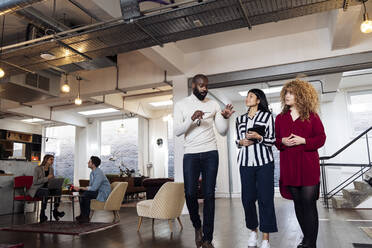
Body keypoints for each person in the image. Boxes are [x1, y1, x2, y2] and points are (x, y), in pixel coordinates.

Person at [174, 74, 235, 248]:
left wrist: (225, 117)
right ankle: (197, 226)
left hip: (210, 153)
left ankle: (208, 238)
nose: (204, 89)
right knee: (190, 193)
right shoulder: (181, 105)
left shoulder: (213, 104)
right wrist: (191, 119)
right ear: (193, 85)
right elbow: (178, 131)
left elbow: (222, 131)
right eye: (201, 85)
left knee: (209, 196)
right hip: (191, 154)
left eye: (206, 86)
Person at [275, 79, 326, 248]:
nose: (287, 96)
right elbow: (276, 141)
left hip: (308, 166)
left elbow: (321, 138)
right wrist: (282, 141)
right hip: (289, 166)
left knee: (308, 203)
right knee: (298, 204)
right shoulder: (280, 118)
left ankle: (311, 243)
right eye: (286, 93)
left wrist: (304, 140)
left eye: (291, 93)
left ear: (301, 95)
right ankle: (306, 238)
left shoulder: (312, 115)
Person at [235, 89, 277, 248]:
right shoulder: (239, 119)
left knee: (265, 199)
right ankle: (253, 231)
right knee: (247, 199)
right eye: (246, 96)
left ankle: (266, 238)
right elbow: (237, 140)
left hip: (264, 163)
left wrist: (259, 137)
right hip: (245, 164)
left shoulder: (267, 117)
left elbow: (272, 140)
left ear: (259, 100)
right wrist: (240, 142)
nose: (247, 98)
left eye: (251, 96)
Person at [27, 154, 65, 222]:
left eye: (53, 159)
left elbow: (51, 180)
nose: (52, 161)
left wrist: (54, 182)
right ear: (46, 160)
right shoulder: (37, 168)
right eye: (51, 159)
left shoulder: (51, 169)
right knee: (45, 192)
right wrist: (47, 178)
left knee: (58, 190)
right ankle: (42, 213)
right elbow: (35, 182)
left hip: (48, 188)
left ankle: (55, 211)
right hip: (37, 189)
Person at [74, 156, 111, 223]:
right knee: (82, 193)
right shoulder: (92, 173)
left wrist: (80, 187)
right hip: (97, 191)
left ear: (93, 164)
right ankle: (83, 215)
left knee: (86, 194)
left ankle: (85, 216)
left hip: (102, 193)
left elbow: (94, 188)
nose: (88, 162)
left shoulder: (98, 173)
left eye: (90, 161)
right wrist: (81, 189)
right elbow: (91, 186)